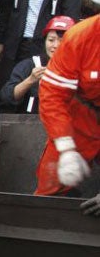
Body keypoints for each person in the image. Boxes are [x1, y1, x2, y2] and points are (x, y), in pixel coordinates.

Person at [35, 14, 99, 196]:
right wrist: (66, 147)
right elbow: (52, 95)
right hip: (81, 116)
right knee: (51, 183)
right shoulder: (80, 37)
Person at [0, 15, 75, 113]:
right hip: (32, 123)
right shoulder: (31, 65)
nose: (55, 45)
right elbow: (6, 97)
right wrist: (30, 80)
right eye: (51, 40)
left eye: (62, 41)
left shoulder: (79, 67)